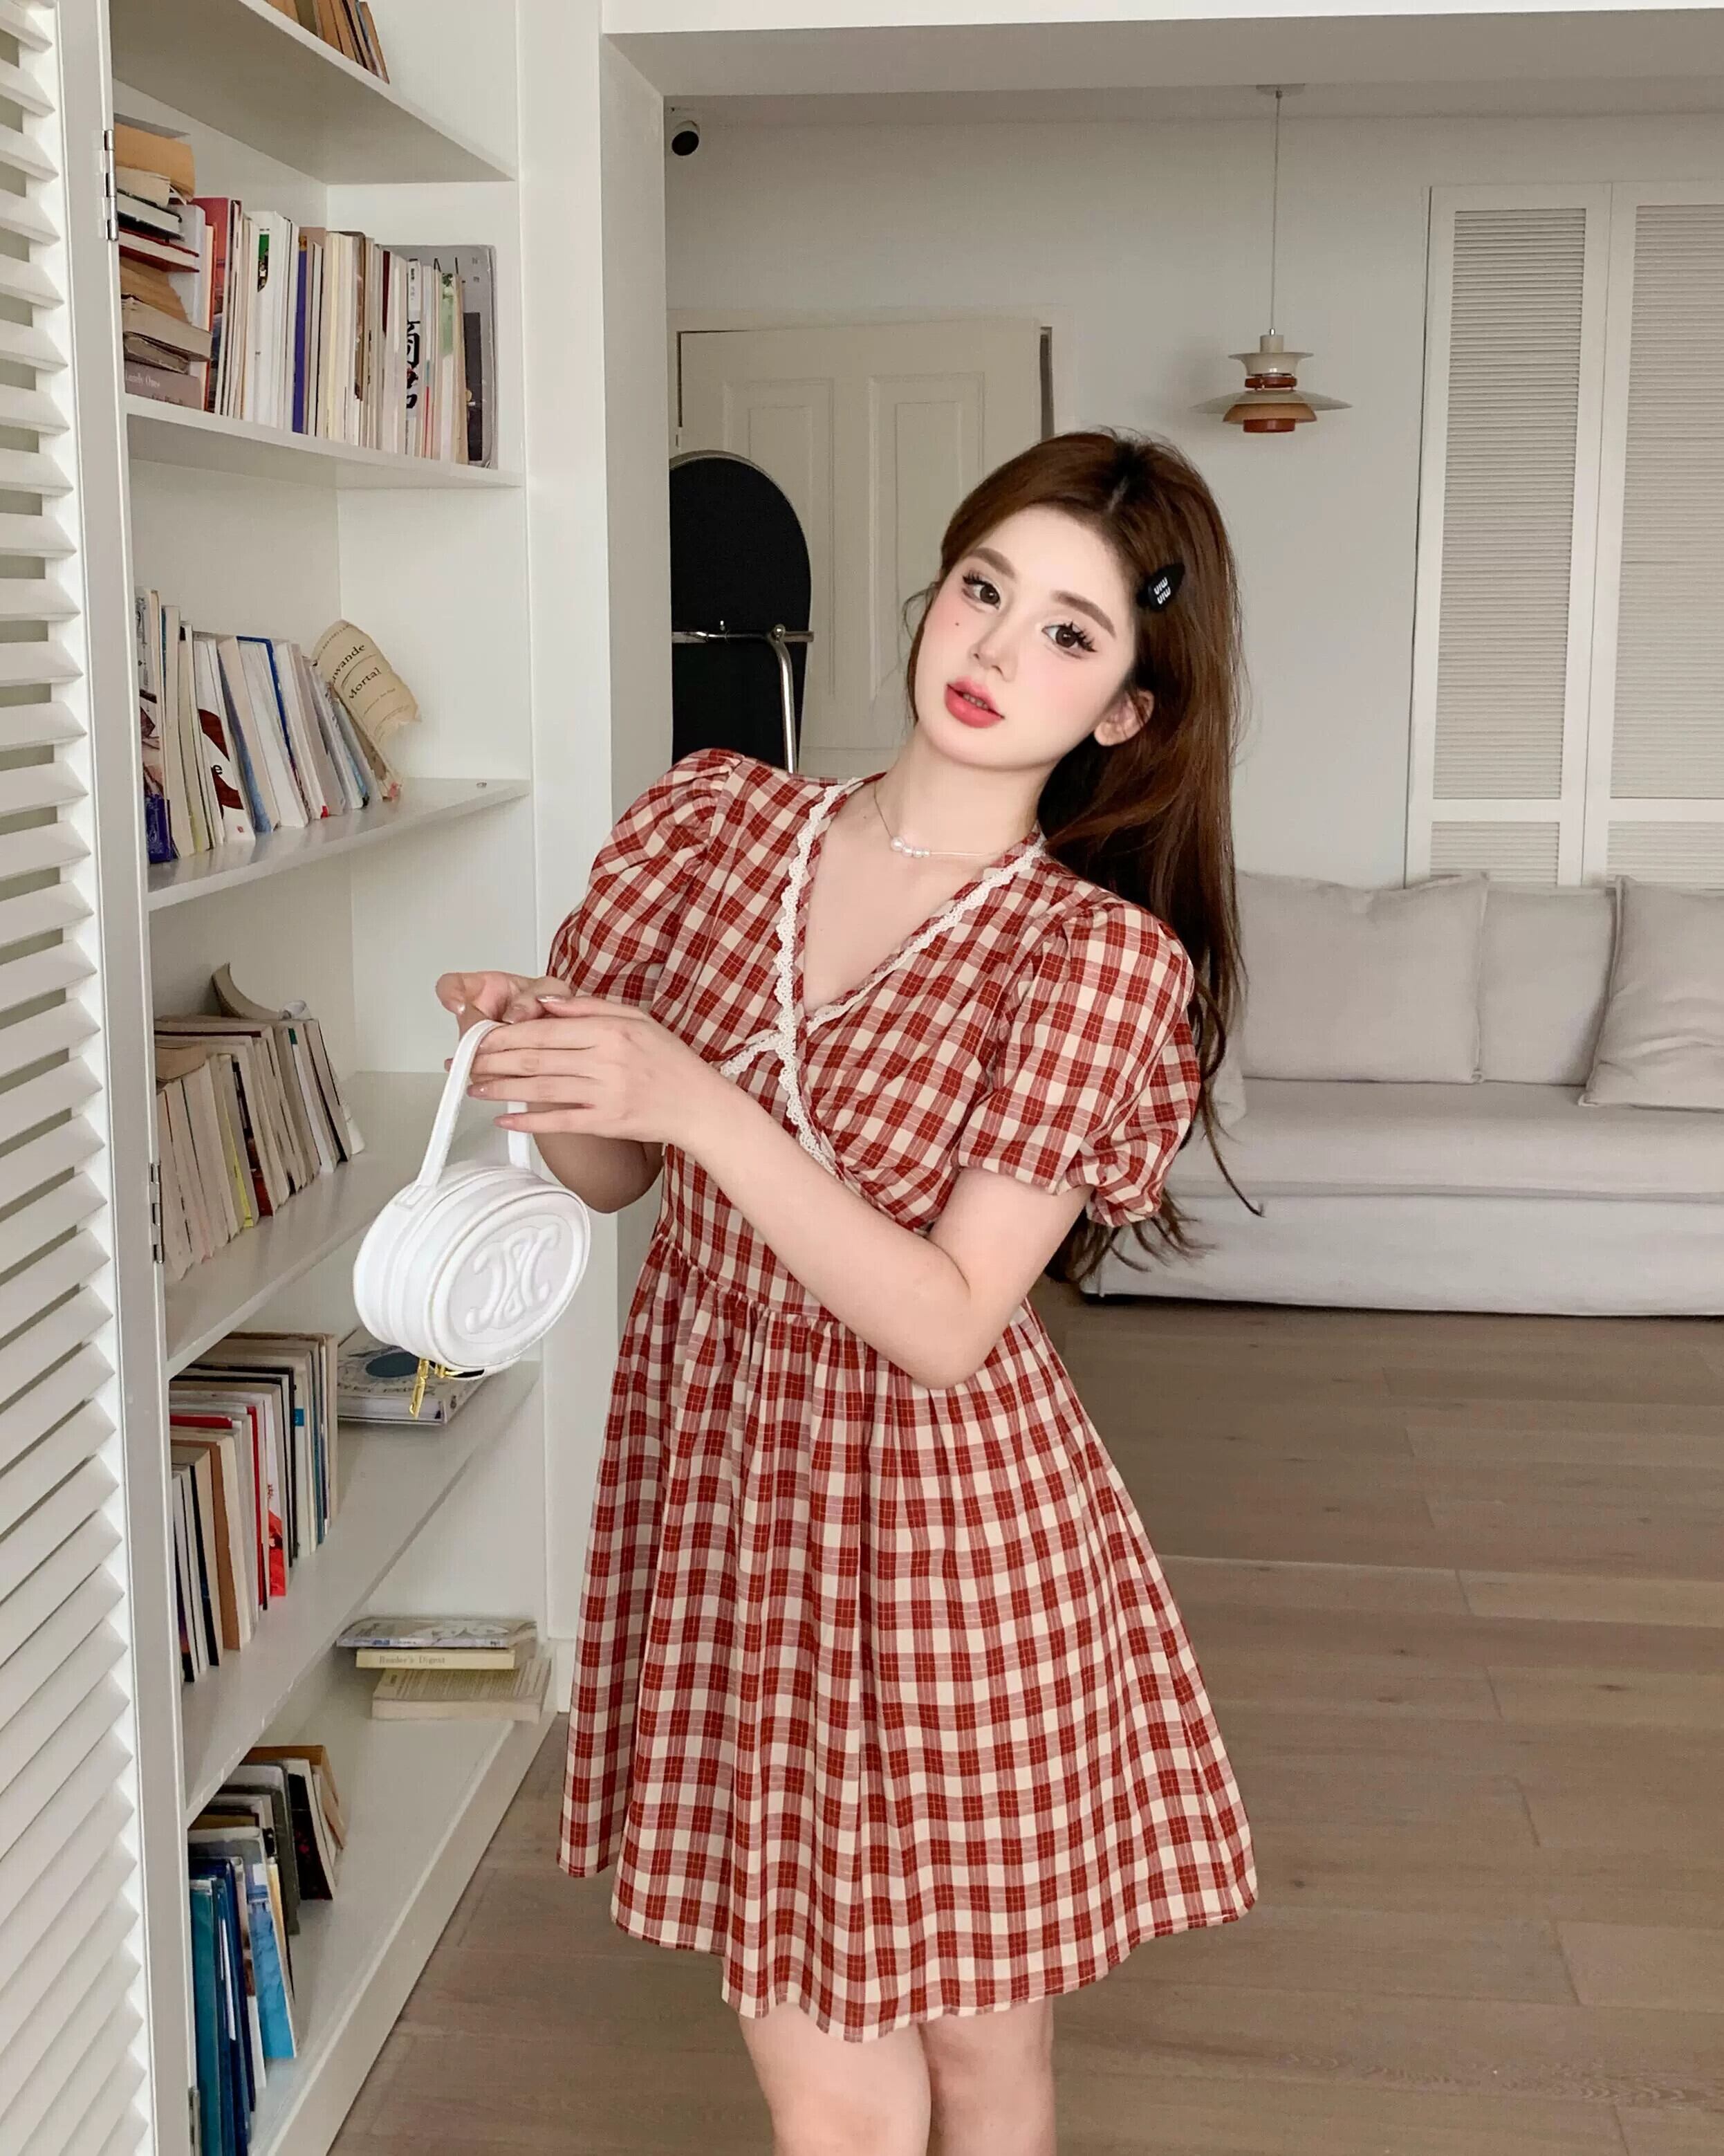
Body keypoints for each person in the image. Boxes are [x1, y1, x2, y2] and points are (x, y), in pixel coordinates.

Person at [435, 430, 1256, 2156]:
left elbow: (949, 1319)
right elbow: (612, 1180)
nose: (993, 649)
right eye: (981, 589)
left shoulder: (1090, 958)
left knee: (981, 2060)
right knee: (829, 2096)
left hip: (949, 1532)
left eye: (1066, 632)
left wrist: (691, 1096)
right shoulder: (711, 825)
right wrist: (555, 1066)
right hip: (726, 1488)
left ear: (1125, 708)